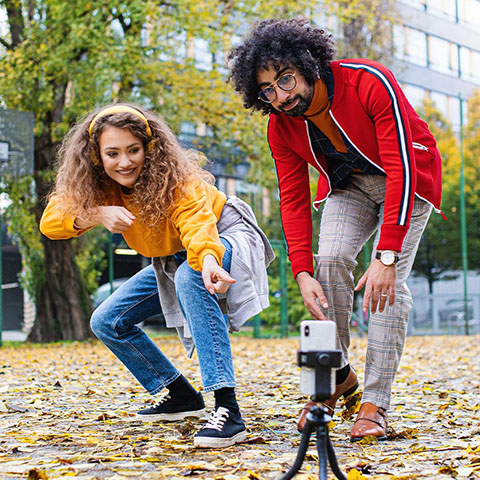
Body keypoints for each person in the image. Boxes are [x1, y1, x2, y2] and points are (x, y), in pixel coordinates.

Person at [228, 18, 442, 441]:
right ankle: (332, 382)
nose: (280, 96)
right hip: (349, 187)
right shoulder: (280, 125)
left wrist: (386, 256)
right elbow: (291, 197)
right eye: (267, 90)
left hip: (408, 179)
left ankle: (376, 403)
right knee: (328, 262)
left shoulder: (369, 81)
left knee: (388, 284)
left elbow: (400, 164)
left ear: (308, 64)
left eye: (285, 80)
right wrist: (301, 271)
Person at [39, 103, 274, 448]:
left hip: (223, 235)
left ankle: (228, 410)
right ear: (96, 156)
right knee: (107, 319)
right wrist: (95, 214)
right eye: (113, 153)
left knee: (189, 277)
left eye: (133, 150)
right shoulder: (100, 188)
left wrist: (208, 259)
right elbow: (50, 222)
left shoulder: (177, 179)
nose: (125, 162)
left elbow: (197, 224)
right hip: (173, 257)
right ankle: (180, 394)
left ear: (149, 148)